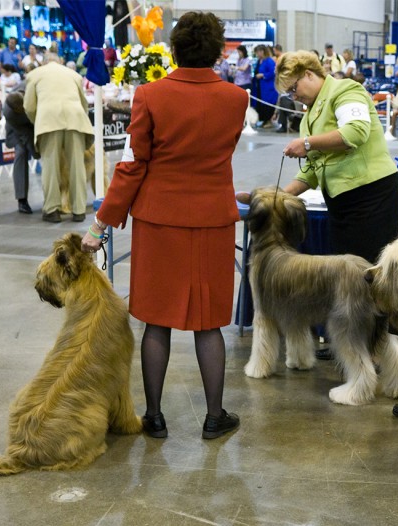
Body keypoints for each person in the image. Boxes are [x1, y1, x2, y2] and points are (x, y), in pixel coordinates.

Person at [80, 11, 246, 440]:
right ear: (217, 50)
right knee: (209, 323)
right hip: (213, 219)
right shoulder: (236, 99)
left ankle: (153, 416)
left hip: (159, 221)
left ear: (173, 49)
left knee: (157, 320)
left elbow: (134, 165)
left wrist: (100, 225)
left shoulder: (150, 95)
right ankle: (214, 417)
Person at [276, 50, 398, 265]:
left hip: (371, 199)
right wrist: (279, 196)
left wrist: (308, 143)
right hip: (340, 205)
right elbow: (312, 169)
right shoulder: (308, 117)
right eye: (289, 94)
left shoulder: (345, 90)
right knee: (349, 278)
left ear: (308, 74)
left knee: (375, 275)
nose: (294, 97)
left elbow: (355, 131)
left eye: (294, 88)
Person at [23, 54, 94, 222]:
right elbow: (84, 104)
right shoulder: (74, 75)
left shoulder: (34, 74)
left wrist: (38, 121)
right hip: (75, 119)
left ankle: (52, 210)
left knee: (50, 167)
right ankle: (79, 210)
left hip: (49, 120)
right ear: (60, 61)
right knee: (77, 166)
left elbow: (29, 106)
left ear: (45, 62)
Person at [3, 91, 37, 214]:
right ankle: (22, 200)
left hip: (37, 123)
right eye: (19, 109)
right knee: (21, 153)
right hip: (19, 132)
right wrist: (36, 152)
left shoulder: (30, 91)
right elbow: (24, 134)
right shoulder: (9, 113)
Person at [253, 44, 277, 128]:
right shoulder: (259, 61)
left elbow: (273, 72)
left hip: (268, 87)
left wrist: (263, 75)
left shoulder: (269, 61)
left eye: (258, 52)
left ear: (262, 51)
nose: (257, 54)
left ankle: (268, 121)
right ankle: (263, 120)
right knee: (261, 104)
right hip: (260, 87)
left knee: (268, 104)